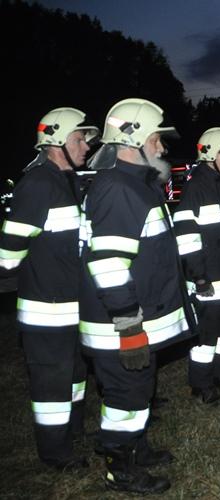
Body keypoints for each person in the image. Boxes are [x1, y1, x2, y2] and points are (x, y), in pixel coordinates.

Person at [80, 98, 195, 494]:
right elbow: (109, 265)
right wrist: (129, 327)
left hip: (133, 319)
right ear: (133, 140)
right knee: (125, 398)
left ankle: (137, 449)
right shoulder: (118, 189)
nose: (162, 147)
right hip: (120, 326)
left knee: (140, 389)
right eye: (156, 139)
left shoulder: (135, 185)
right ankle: (120, 468)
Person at [0, 108, 98, 470]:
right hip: (46, 311)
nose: (86, 146)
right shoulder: (38, 184)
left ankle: (74, 432)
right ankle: (55, 453)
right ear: (56, 143)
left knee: (74, 375)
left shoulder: (66, 181)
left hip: (71, 306)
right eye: (79, 139)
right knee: (51, 385)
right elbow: (8, 253)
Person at [174, 127, 220, 406]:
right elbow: (186, 238)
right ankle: (201, 385)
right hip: (208, 280)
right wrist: (199, 277)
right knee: (206, 337)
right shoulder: (195, 189)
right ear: (209, 155)